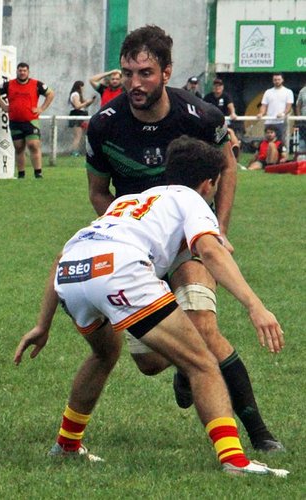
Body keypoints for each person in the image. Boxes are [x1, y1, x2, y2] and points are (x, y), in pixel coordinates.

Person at [15, 136, 287, 477]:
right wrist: (255, 306)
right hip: (119, 269)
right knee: (201, 363)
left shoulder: (130, 201)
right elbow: (212, 252)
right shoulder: (192, 199)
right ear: (208, 183)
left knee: (103, 354)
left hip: (73, 270)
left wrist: (43, 325)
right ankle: (235, 461)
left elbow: (60, 258)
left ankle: (67, 445)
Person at [85, 24, 282, 452]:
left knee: (205, 330)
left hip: (191, 242)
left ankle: (260, 435)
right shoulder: (103, 127)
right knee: (152, 361)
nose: (135, 84)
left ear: (167, 72)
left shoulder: (202, 118)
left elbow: (228, 166)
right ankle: (183, 366)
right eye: (127, 73)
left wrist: (219, 229)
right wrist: (126, 238)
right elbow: (99, 192)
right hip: (138, 251)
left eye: (146, 73)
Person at [0, 62, 55, 178]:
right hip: (15, 121)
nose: (22, 72)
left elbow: (50, 94)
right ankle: (21, 174)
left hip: (31, 121)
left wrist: (41, 108)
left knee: (33, 145)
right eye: (20, 70)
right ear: (17, 71)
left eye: (24, 71)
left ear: (28, 72)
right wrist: (3, 106)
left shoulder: (36, 84)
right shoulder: (9, 85)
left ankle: (38, 173)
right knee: (19, 147)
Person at [203, 78, 242, 160]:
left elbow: (230, 106)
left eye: (219, 86)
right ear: (213, 87)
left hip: (224, 122)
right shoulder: (208, 97)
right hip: (212, 122)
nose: (217, 87)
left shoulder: (226, 96)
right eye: (216, 86)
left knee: (230, 132)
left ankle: (235, 148)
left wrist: (233, 113)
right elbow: (203, 108)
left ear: (222, 87)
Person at [256, 73, 294, 140]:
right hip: (269, 122)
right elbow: (264, 105)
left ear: (282, 80)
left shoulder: (288, 92)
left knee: (280, 142)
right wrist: (261, 113)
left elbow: (289, 107)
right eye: (275, 80)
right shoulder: (268, 92)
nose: (277, 81)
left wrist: (283, 114)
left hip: (281, 122)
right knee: (268, 142)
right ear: (273, 81)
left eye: (279, 79)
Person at [67, 81, 95, 156]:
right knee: (77, 136)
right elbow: (78, 106)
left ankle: (78, 150)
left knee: (80, 135)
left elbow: (83, 105)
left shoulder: (79, 95)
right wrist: (86, 102)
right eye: (82, 86)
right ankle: (74, 152)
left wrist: (90, 101)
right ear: (80, 86)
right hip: (77, 115)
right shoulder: (75, 94)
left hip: (80, 115)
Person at [295, 82, 306, 156]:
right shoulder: (303, 91)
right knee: (302, 142)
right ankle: (302, 159)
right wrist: (299, 118)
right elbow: (298, 105)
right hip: (304, 121)